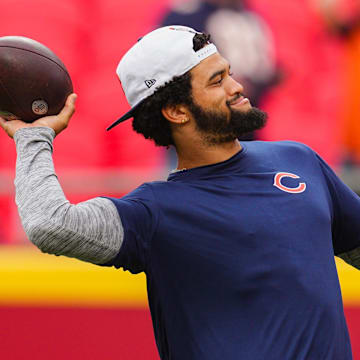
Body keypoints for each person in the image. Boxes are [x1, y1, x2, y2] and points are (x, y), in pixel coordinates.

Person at [0, 25, 359, 360]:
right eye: (217, 81)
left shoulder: (299, 160)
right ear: (175, 111)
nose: (236, 86)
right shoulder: (154, 213)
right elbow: (49, 224)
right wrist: (34, 138)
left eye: (228, 72)